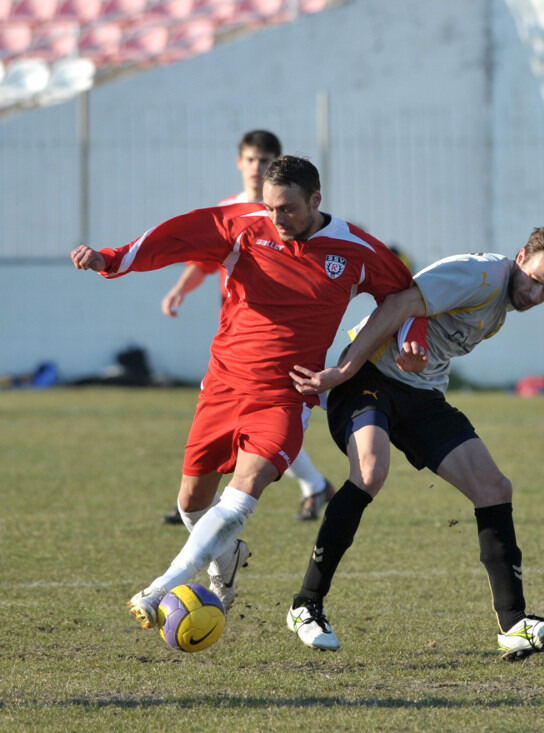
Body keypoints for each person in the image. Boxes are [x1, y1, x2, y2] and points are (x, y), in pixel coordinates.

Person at [70, 155, 426, 629]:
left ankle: (160, 587)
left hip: (285, 394)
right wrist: (112, 259)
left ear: (316, 201)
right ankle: (226, 557)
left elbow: (406, 294)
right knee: (192, 503)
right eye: (271, 208)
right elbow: (176, 236)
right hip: (222, 385)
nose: (277, 219)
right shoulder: (244, 225)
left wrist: (410, 339)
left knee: (242, 494)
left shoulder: (356, 248)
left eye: (289, 209)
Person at [284, 225, 544, 661]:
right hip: (367, 380)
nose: (535, 294)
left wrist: (418, 331)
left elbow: (422, 308)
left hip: (421, 394)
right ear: (521, 256)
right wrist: (343, 371)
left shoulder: (501, 303)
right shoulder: (481, 276)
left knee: (494, 489)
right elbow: (400, 299)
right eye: (536, 279)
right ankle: (306, 605)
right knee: (370, 472)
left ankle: (514, 626)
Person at [159, 130, 334, 525]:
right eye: (251, 160)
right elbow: (204, 259)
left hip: (282, 335)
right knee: (244, 420)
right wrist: (179, 290)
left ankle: (214, 502)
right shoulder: (230, 210)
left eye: (265, 160)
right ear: (240, 162)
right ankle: (205, 498)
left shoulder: (293, 214)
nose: (257, 168)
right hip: (237, 331)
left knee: (266, 420)